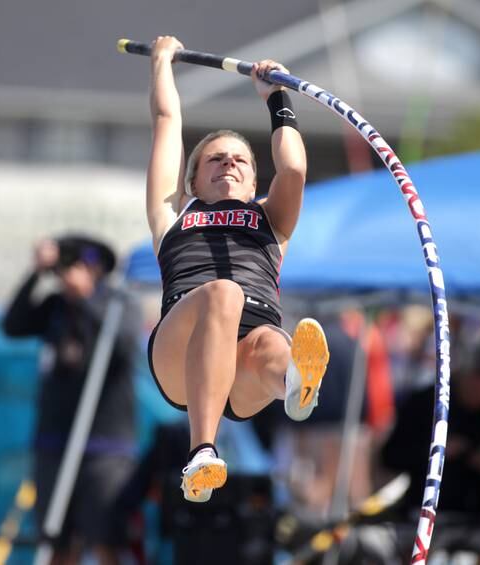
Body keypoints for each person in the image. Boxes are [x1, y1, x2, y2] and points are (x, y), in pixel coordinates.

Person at [144, 35, 330, 503]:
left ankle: (295, 383)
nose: (228, 162)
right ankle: (202, 452)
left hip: (245, 358)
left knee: (272, 342)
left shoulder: (272, 218)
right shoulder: (173, 212)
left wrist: (277, 98)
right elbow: (168, 120)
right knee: (224, 293)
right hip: (182, 351)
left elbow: (294, 172)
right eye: (215, 159)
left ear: (252, 181)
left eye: (240, 160)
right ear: (192, 179)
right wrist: (163, 61)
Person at [2, 234, 140, 565]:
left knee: (105, 538)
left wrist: (87, 299)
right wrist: (36, 273)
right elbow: (12, 324)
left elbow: (124, 345)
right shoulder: (54, 308)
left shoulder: (119, 303)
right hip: (54, 442)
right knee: (55, 540)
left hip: (104, 448)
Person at [377, 344, 480, 564]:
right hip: (430, 515)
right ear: (461, 374)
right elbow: (390, 456)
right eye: (475, 377)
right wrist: (436, 454)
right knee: (403, 551)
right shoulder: (427, 402)